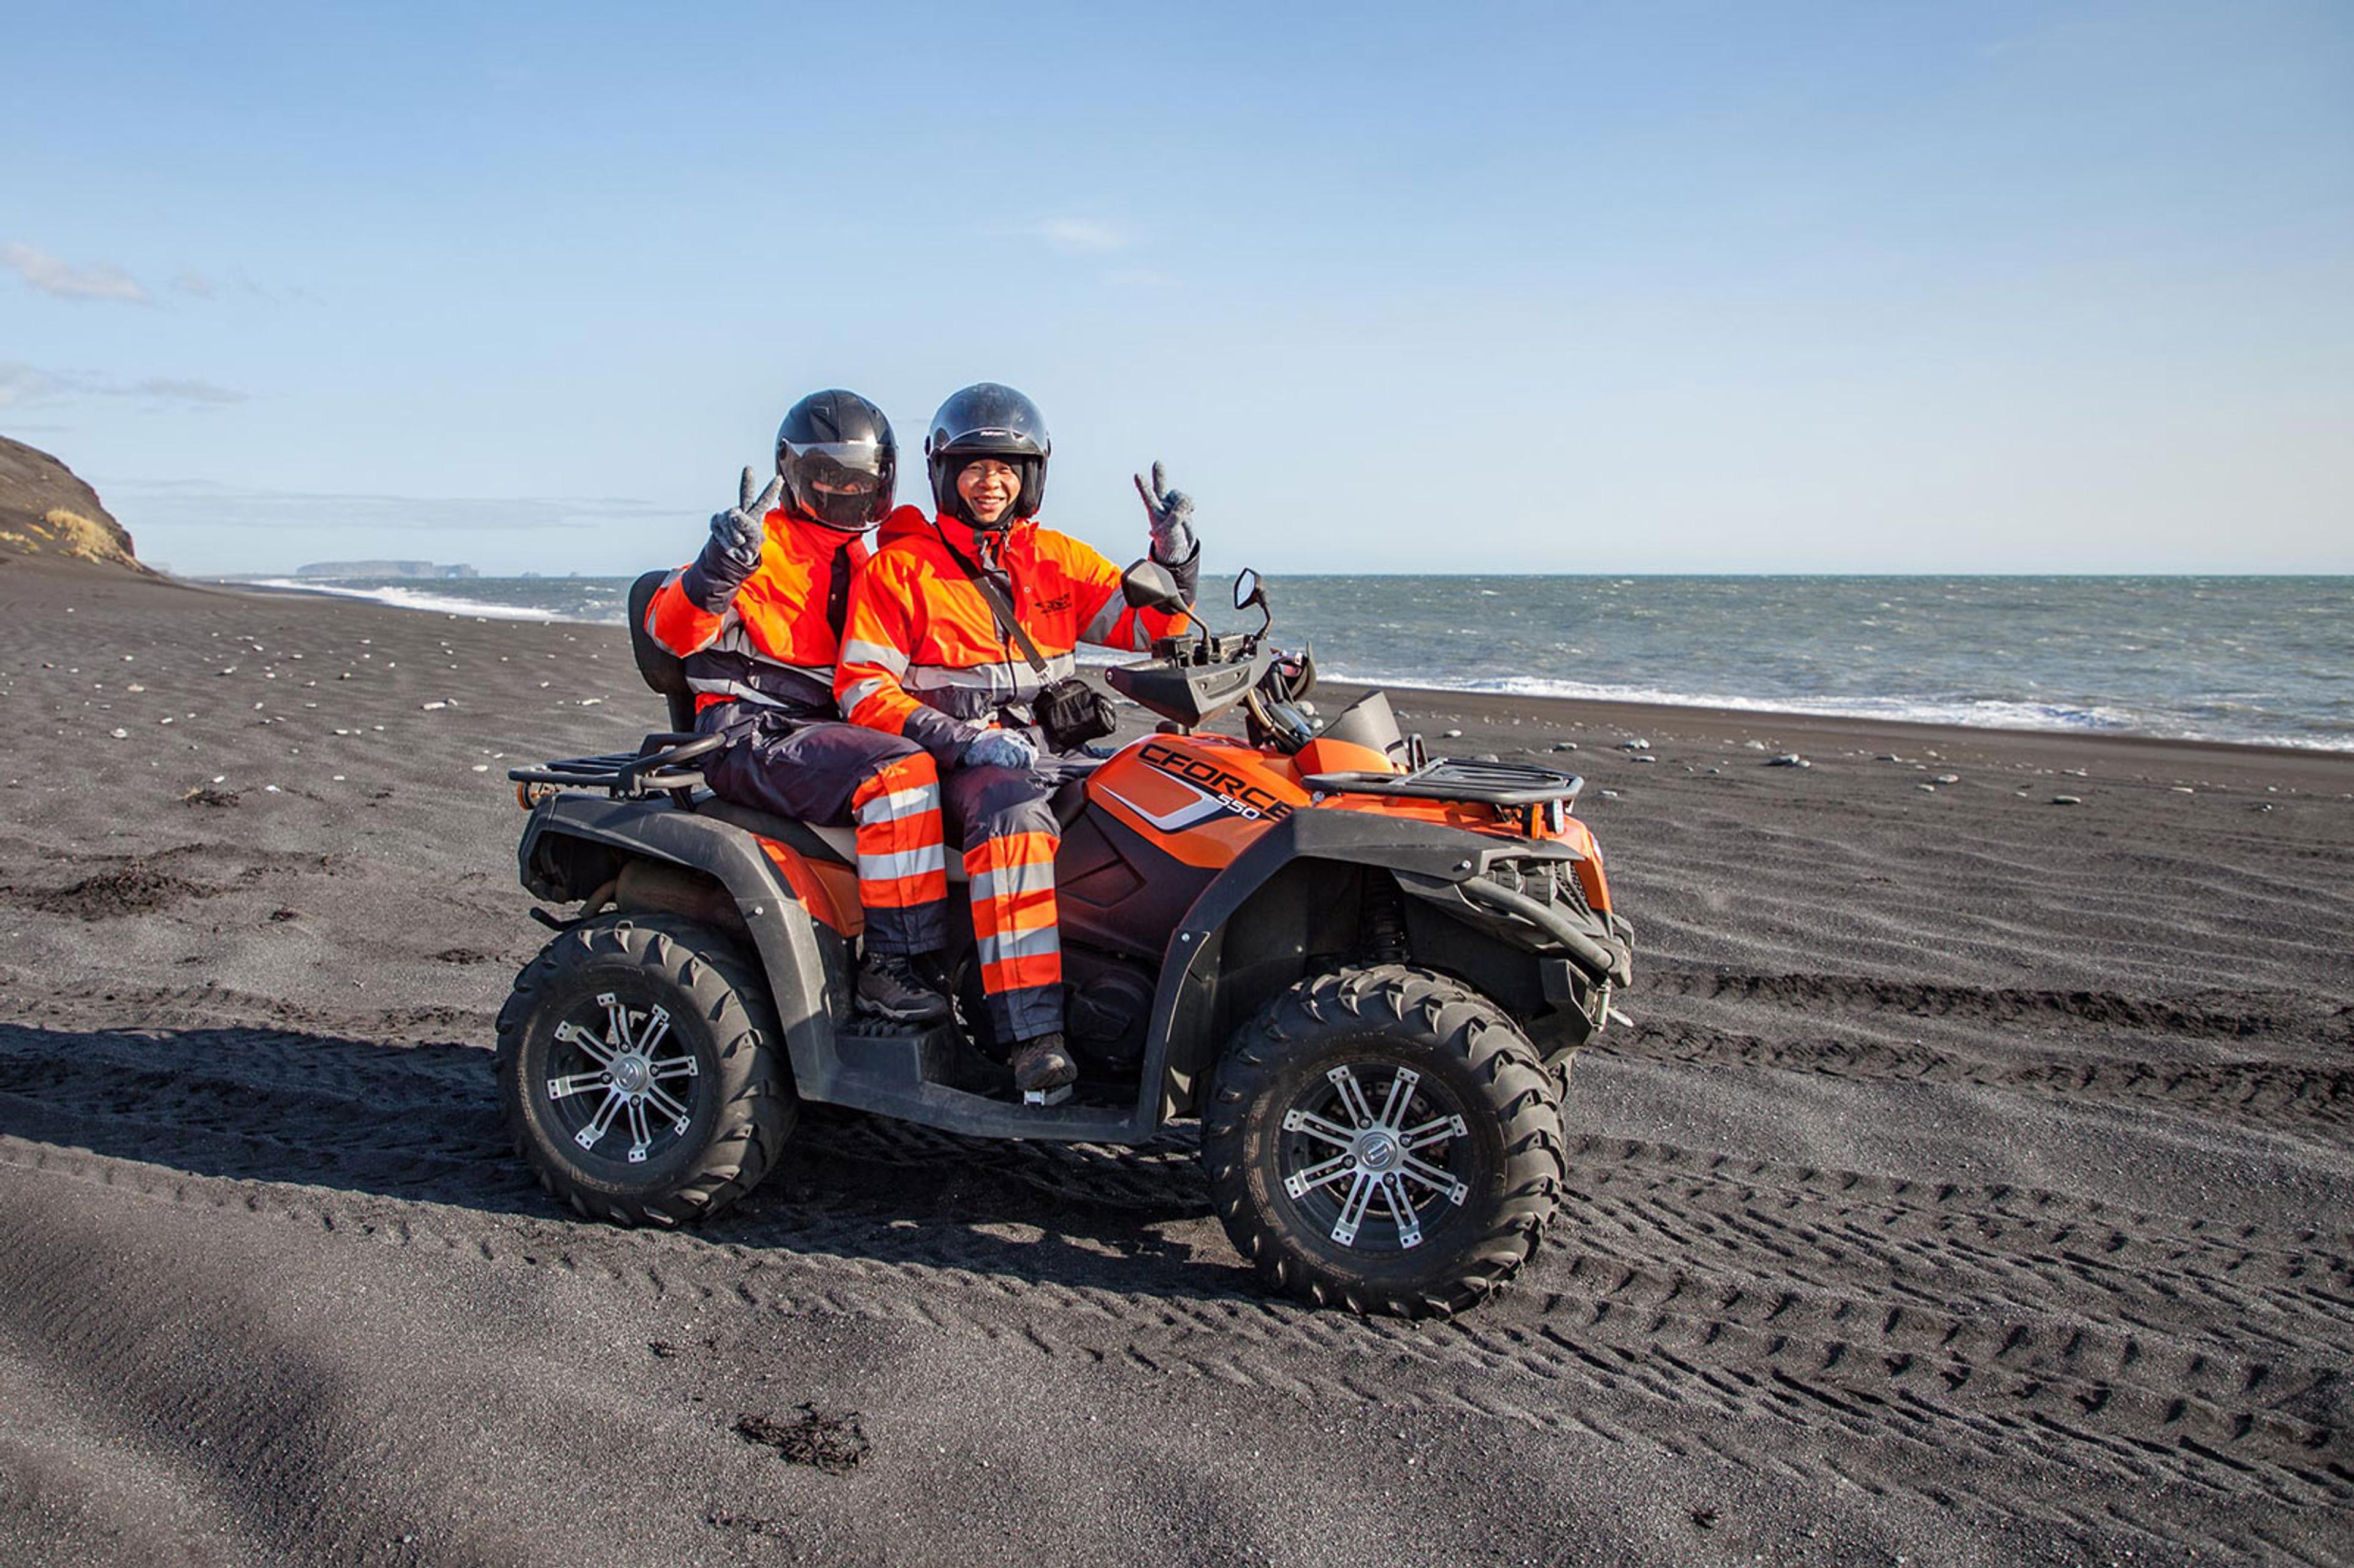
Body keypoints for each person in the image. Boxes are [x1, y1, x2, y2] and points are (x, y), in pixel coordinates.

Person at [836, 382, 1200, 1092]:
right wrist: (964, 742)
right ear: (946, 473)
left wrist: (1173, 556)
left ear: (1031, 476)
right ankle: (1033, 1036)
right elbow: (862, 689)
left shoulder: (1058, 559)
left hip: (1049, 752)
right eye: (974, 466)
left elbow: (1155, 629)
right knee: (1013, 818)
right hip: (959, 763)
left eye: (1007, 467)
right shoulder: (901, 569)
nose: (990, 482)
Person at [641, 389, 953, 1024]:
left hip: (826, 735)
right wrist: (719, 566)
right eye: (827, 476)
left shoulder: (872, 555)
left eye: (861, 478)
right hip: (751, 733)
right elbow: (671, 630)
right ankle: (889, 969)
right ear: (795, 473)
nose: (845, 491)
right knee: (901, 776)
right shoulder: (759, 549)